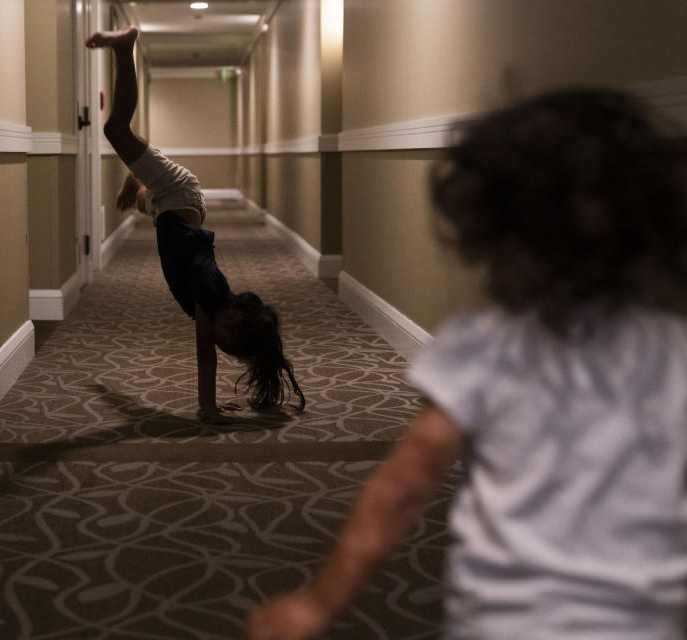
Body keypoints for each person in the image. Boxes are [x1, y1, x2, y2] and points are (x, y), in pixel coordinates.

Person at [245, 88, 687, 639]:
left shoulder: (484, 347)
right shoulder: (675, 350)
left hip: (506, 621)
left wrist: (318, 604)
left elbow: (403, 487)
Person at [86, 27, 304, 423]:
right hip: (179, 194)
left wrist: (212, 402)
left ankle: (137, 187)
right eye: (226, 341)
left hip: (175, 210)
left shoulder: (216, 302)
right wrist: (207, 408)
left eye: (225, 347)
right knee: (115, 130)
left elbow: (210, 347)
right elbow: (204, 353)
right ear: (233, 318)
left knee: (144, 204)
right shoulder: (209, 293)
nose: (217, 344)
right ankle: (124, 46)